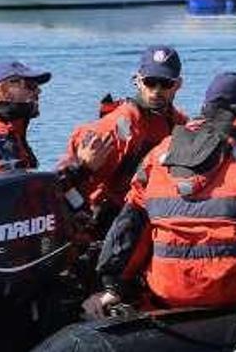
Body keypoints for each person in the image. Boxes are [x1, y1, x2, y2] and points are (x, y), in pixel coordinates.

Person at [82, 73, 236, 318]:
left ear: (206, 106)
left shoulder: (159, 154)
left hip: (171, 291)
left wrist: (114, 286)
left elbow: (130, 226)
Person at [57, 45, 188, 230]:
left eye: (165, 83)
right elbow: (61, 185)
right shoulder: (109, 129)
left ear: (178, 84)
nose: (157, 90)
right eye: (151, 82)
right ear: (138, 81)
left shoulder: (181, 125)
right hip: (107, 221)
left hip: (154, 214)